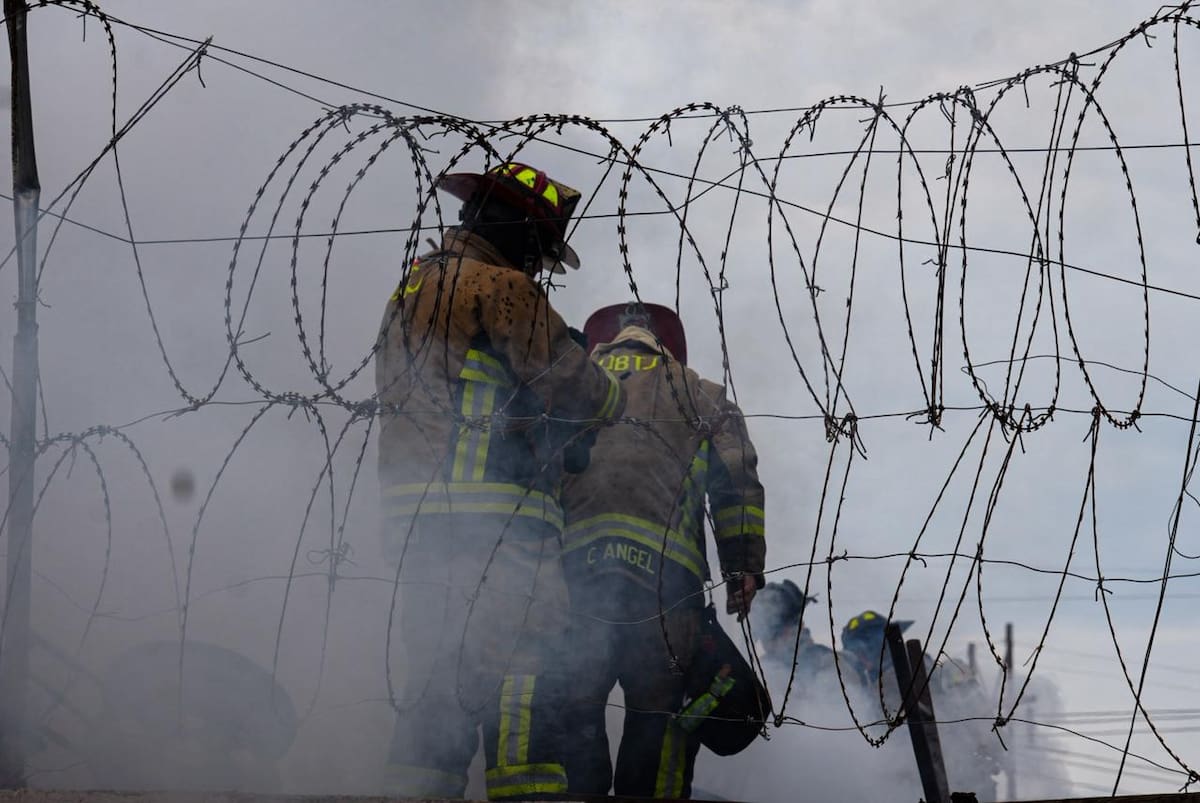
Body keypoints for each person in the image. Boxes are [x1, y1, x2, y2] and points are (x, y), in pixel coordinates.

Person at [375, 162, 625, 800]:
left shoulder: (409, 289)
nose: (538, 269)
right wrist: (600, 388)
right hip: (497, 527)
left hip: (416, 521)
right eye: (538, 251)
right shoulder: (501, 287)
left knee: (435, 682)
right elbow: (581, 389)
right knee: (524, 670)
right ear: (516, 229)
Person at [559, 301, 766, 798]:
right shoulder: (700, 393)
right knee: (662, 722)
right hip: (666, 591)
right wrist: (743, 568)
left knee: (573, 714)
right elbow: (737, 484)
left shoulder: (572, 383)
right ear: (669, 344)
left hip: (573, 581)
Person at [750, 580, 839, 697]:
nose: (766, 644)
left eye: (769, 634)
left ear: (793, 628)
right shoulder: (762, 671)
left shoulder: (828, 664)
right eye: (762, 635)